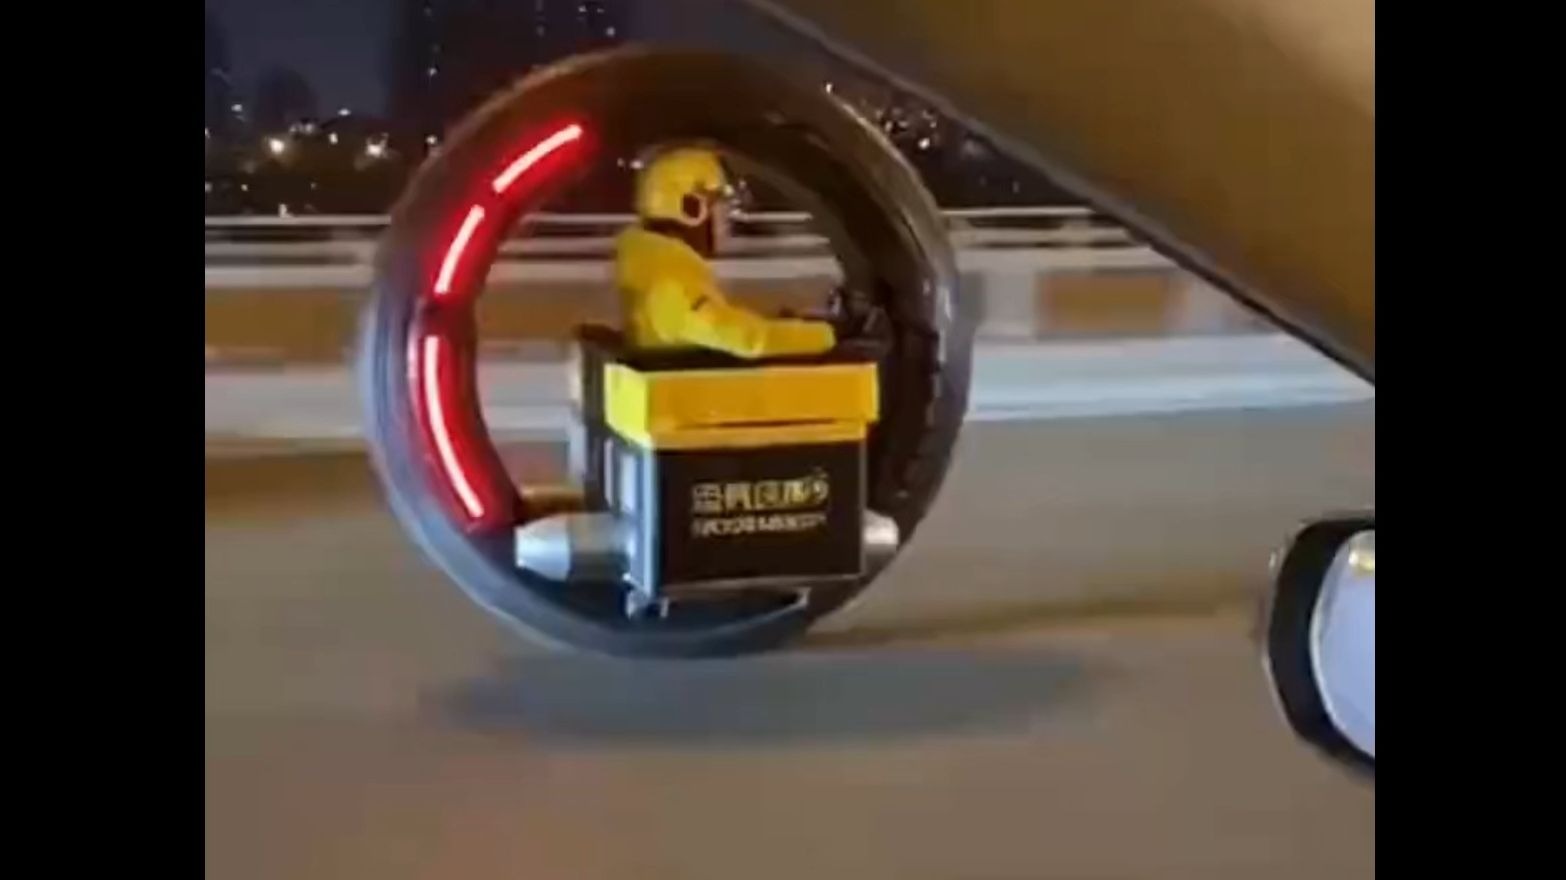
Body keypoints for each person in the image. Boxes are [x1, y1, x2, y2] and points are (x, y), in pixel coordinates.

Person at [615, 147, 839, 358]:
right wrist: (826, 335)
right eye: (717, 204)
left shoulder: (656, 266)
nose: (726, 218)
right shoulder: (672, 280)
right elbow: (746, 339)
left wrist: (789, 324)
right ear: (691, 208)